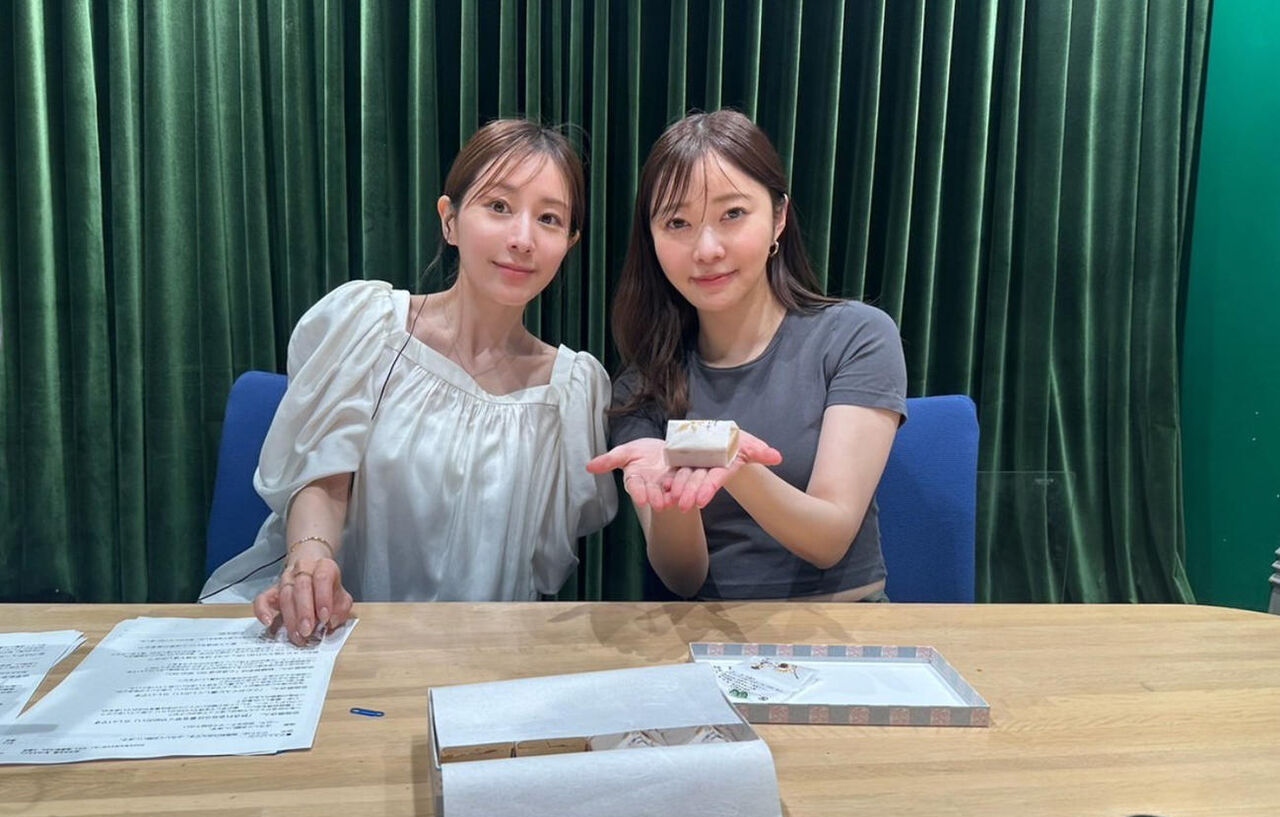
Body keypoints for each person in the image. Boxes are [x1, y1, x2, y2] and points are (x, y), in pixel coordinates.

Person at [202, 120, 617, 640]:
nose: (522, 238)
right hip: (336, 632)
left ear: (569, 242)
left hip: (485, 652)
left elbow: (539, 566)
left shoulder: (571, 391)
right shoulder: (369, 326)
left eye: (549, 218)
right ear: (450, 220)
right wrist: (310, 561)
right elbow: (324, 477)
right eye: (498, 206)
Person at [589, 110, 906, 601]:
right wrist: (672, 493)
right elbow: (682, 578)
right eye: (678, 222)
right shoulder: (642, 384)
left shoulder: (857, 336)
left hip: (847, 630)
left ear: (779, 217)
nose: (707, 249)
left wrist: (733, 463)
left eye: (732, 214)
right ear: (652, 240)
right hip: (710, 635)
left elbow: (829, 540)